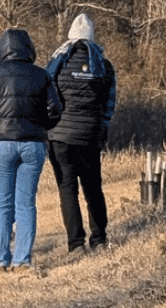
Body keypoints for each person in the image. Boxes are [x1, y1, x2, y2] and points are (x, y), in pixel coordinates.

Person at [0, 28, 62, 271]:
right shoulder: (41, 75)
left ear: (1, 49)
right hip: (33, 143)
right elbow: (55, 111)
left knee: (1, 202)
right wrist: (40, 126)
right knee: (26, 203)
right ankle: (22, 259)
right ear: (29, 49)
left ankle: (0, 260)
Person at [45, 13, 117, 252]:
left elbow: (48, 95)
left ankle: (76, 243)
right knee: (93, 187)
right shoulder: (104, 66)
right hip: (90, 135)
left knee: (68, 189)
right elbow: (109, 102)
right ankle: (99, 238)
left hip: (61, 136)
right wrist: (102, 124)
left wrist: (51, 123)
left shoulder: (58, 62)